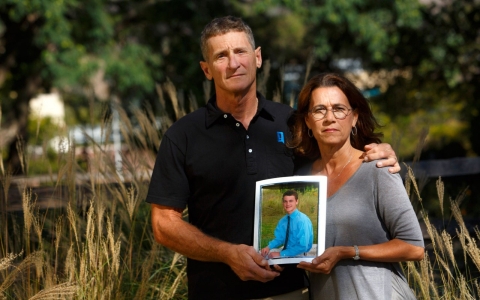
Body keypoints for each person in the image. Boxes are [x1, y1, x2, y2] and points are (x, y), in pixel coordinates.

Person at [146, 16, 400, 300]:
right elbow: (163, 224)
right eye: (221, 56)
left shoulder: (295, 124)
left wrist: (377, 151)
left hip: (294, 292)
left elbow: (341, 160)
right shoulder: (183, 136)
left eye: (241, 52)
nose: (233, 63)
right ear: (207, 69)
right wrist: (228, 254)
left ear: (258, 58)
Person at [289, 73, 425, 299]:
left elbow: (414, 247)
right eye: (319, 110)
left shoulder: (377, 169)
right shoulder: (301, 180)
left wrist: (347, 252)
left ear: (354, 117)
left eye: (339, 109)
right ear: (308, 121)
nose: (329, 118)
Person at [261, 190, 313, 258]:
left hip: (299, 255)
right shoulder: (282, 221)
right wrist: (268, 247)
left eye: (291, 201)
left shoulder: (303, 220)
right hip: (286, 252)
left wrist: (281, 254)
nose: (288, 204)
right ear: (283, 203)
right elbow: (279, 238)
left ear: (296, 201)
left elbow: (303, 246)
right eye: (285, 201)